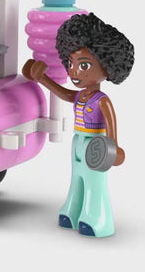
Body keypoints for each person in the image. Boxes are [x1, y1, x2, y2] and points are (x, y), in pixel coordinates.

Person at [22, 13, 134, 238]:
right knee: (77, 178)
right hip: (77, 143)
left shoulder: (102, 101)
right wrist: (41, 78)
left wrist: (114, 149)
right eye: (71, 63)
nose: (73, 71)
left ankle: (97, 219)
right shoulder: (81, 96)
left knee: (94, 182)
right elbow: (64, 94)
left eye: (84, 65)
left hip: (96, 145)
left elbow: (111, 129)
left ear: (107, 67)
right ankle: (72, 211)